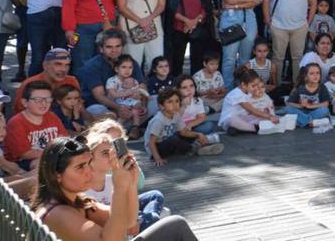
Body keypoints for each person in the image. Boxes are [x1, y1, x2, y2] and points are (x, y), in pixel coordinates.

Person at [34, 135, 198, 241]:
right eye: (80, 167)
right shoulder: (58, 213)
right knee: (177, 227)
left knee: (176, 224)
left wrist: (130, 183)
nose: (89, 171)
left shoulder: (77, 200)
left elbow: (129, 223)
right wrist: (119, 190)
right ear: (57, 174)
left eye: (88, 163)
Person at [83, 119, 167, 232]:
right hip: (115, 227)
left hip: (124, 215)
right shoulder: (83, 187)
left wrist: (133, 168)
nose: (112, 154)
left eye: (118, 142)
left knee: (155, 196)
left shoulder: (110, 177)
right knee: (157, 220)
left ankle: (145, 220)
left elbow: (138, 185)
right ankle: (146, 222)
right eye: (105, 153)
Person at [262, 0, 318, 87]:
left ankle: (297, 88)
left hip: (300, 26)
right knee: (277, 58)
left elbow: (313, 1)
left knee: (298, 58)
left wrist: (308, 22)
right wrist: (268, 19)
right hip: (278, 25)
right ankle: (276, 87)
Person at [146, 87, 223, 166]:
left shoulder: (176, 115)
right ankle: (195, 148)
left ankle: (200, 142)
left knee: (182, 134)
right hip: (156, 150)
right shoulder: (158, 121)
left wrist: (198, 134)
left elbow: (183, 132)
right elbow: (151, 142)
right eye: (170, 102)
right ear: (162, 106)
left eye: (177, 101)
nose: (175, 105)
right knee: (173, 139)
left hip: (169, 143)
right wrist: (157, 158)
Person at [77, 30, 143, 122]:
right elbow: (99, 96)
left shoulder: (129, 62)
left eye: (118, 46)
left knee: (156, 101)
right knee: (98, 111)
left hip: (130, 105)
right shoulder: (92, 66)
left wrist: (142, 104)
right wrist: (119, 108)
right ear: (101, 48)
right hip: (103, 106)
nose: (114, 50)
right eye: (109, 47)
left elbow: (142, 86)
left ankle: (133, 126)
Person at [165, 0, 216, 75]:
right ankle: (177, 86)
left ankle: (196, 86)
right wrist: (187, 21)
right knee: (177, 60)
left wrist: (195, 21)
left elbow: (205, 8)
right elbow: (172, 10)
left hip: (197, 28)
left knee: (197, 60)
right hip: (179, 29)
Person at [5, 81, 69, 170]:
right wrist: (54, 154)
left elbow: (63, 139)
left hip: (51, 156)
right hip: (24, 162)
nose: (44, 103)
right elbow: (24, 153)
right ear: (25, 102)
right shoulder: (16, 122)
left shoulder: (52, 117)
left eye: (48, 99)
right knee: (41, 163)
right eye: (38, 100)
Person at [219, 0, 261, 88]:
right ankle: (228, 87)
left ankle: (243, 87)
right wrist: (248, 0)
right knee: (229, 58)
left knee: (245, 57)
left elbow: (255, 1)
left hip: (248, 18)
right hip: (231, 19)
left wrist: (236, 5)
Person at [15, 47, 79, 114]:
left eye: (67, 65)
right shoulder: (29, 85)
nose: (63, 69)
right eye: (58, 64)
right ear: (45, 65)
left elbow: (79, 108)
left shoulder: (72, 81)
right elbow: (20, 114)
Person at [221, 67, 279, 134]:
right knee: (232, 120)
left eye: (257, 85)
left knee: (263, 117)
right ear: (243, 85)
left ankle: (240, 129)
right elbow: (252, 110)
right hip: (229, 121)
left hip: (244, 118)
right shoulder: (237, 94)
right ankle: (255, 128)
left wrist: (267, 113)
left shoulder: (247, 91)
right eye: (253, 86)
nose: (256, 88)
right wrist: (269, 116)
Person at [105, 55, 149, 138]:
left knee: (136, 111)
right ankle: (115, 131)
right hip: (117, 105)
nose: (127, 70)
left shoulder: (133, 81)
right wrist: (127, 93)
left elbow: (139, 92)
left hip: (131, 105)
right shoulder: (112, 81)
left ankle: (135, 129)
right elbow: (113, 94)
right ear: (117, 69)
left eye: (130, 67)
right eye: (124, 67)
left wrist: (139, 98)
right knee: (123, 116)